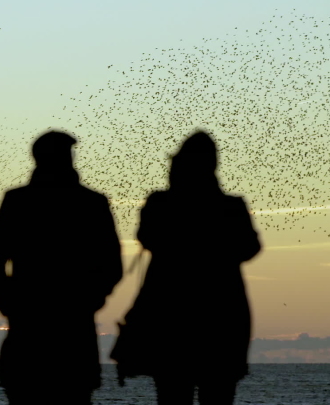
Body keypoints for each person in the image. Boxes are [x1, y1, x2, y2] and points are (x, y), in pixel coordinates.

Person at [112, 130, 261, 405]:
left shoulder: (160, 203)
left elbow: (147, 237)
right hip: (223, 315)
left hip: (170, 315)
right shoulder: (230, 207)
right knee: (218, 395)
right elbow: (250, 248)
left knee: (172, 393)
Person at [0, 130, 124, 405]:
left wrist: (8, 300)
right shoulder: (88, 202)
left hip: (49, 322)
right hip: (53, 323)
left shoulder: (21, 201)